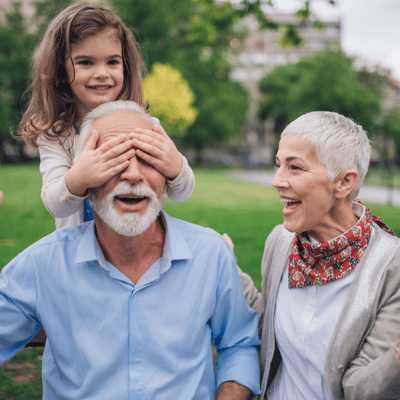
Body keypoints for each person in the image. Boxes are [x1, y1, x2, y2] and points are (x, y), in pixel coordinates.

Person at [0, 101, 261, 400]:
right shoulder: (42, 265)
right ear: (84, 177)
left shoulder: (211, 254)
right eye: (114, 159)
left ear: (167, 176)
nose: (134, 174)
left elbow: (239, 344)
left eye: (149, 158)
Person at [233, 111, 400, 399]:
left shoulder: (391, 267)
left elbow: (360, 390)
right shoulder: (281, 241)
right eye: (278, 165)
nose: (277, 180)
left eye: (294, 167)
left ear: (344, 182)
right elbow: (268, 327)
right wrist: (227, 267)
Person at [18, 3, 195, 230]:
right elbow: (57, 205)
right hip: (80, 256)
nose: (102, 74)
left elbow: (183, 192)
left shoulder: (144, 125)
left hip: (138, 248)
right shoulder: (56, 135)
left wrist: (175, 166)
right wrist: (80, 177)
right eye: (85, 62)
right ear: (61, 69)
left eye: (112, 62)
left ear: (126, 67)